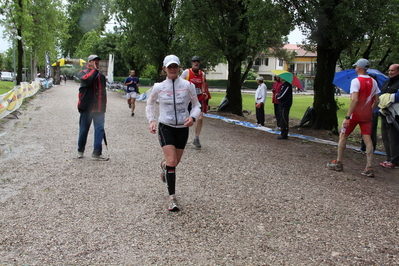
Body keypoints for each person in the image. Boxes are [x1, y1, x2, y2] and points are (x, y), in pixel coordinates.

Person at [146, 55, 201, 212]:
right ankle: (172, 199)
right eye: (169, 67)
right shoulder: (158, 87)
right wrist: (151, 120)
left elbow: (197, 105)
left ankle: (164, 166)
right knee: (171, 160)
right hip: (166, 127)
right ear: (164, 69)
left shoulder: (188, 85)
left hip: (182, 128)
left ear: (179, 67)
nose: (172, 69)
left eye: (175, 66)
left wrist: (193, 117)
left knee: (174, 162)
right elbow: (149, 104)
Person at [327, 59, 380, 177]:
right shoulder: (373, 81)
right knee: (368, 140)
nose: (355, 68)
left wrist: (347, 116)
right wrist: (370, 111)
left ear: (359, 68)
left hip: (355, 114)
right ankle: (369, 167)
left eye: (356, 66)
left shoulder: (356, 81)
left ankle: (339, 162)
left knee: (343, 135)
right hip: (367, 115)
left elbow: (355, 99)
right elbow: (377, 100)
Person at [77, 55, 108, 161]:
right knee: (83, 130)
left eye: (98, 61)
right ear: (89, 62)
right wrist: (94, 70)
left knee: (99, 129)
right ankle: (80, 150)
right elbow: (88, 80)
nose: (97, 62)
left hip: (99, 108)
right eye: (94, 61)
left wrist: (104, 106)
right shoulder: (83, 73)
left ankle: (97, 153)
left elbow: (103, 92)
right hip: (87, 108)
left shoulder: (101, 76)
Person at [180, 56, 208, 149]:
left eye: (198, 62)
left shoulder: (202, 73)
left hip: (198, 99)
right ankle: (182, 138)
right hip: (187, 99)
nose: (196, 63)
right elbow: (180, 82)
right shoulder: (186, 72)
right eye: (194, 62)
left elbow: (203, 84)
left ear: (199, 63)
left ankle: (196, 138)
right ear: (192, 63)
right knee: (185, 119)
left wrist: (204, 92)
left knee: (200, 118)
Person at [378, 64, 399, 169]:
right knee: (385, 136)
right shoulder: (386, 82)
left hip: (395, 115)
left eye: (393, 70)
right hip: (384, 113)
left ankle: (395, 160)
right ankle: (389, 158)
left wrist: (389, 98)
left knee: (393, 137)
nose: (390, 72)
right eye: (389, 70)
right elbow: (381, 95)